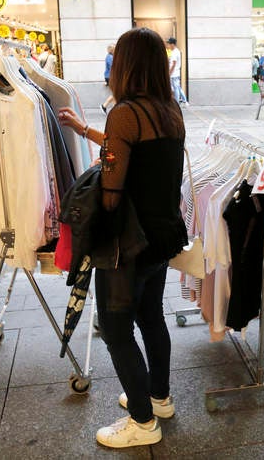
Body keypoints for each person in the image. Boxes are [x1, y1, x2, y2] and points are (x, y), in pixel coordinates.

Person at [58, 27, 187, 449]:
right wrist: (85, 130)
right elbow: (130, 150)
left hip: (127, 244)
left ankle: (142, 422)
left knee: (115, 330)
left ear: (125, 66)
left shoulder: (125, 112)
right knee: (151, 318)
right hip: (161, 235)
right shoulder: (169, 109)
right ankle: (158, 397)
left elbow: (112, 190)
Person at [165, 37, 189, 106]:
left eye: (169, 44)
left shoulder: (174, 52)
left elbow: (173, 64)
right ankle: (185, 101)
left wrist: (169, 73)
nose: (168, 45)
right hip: (175, 73)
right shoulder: (175, 51)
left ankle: (177, 104)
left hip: (174, 74)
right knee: (178, 87)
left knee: (176, 88)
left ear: (172, 44)